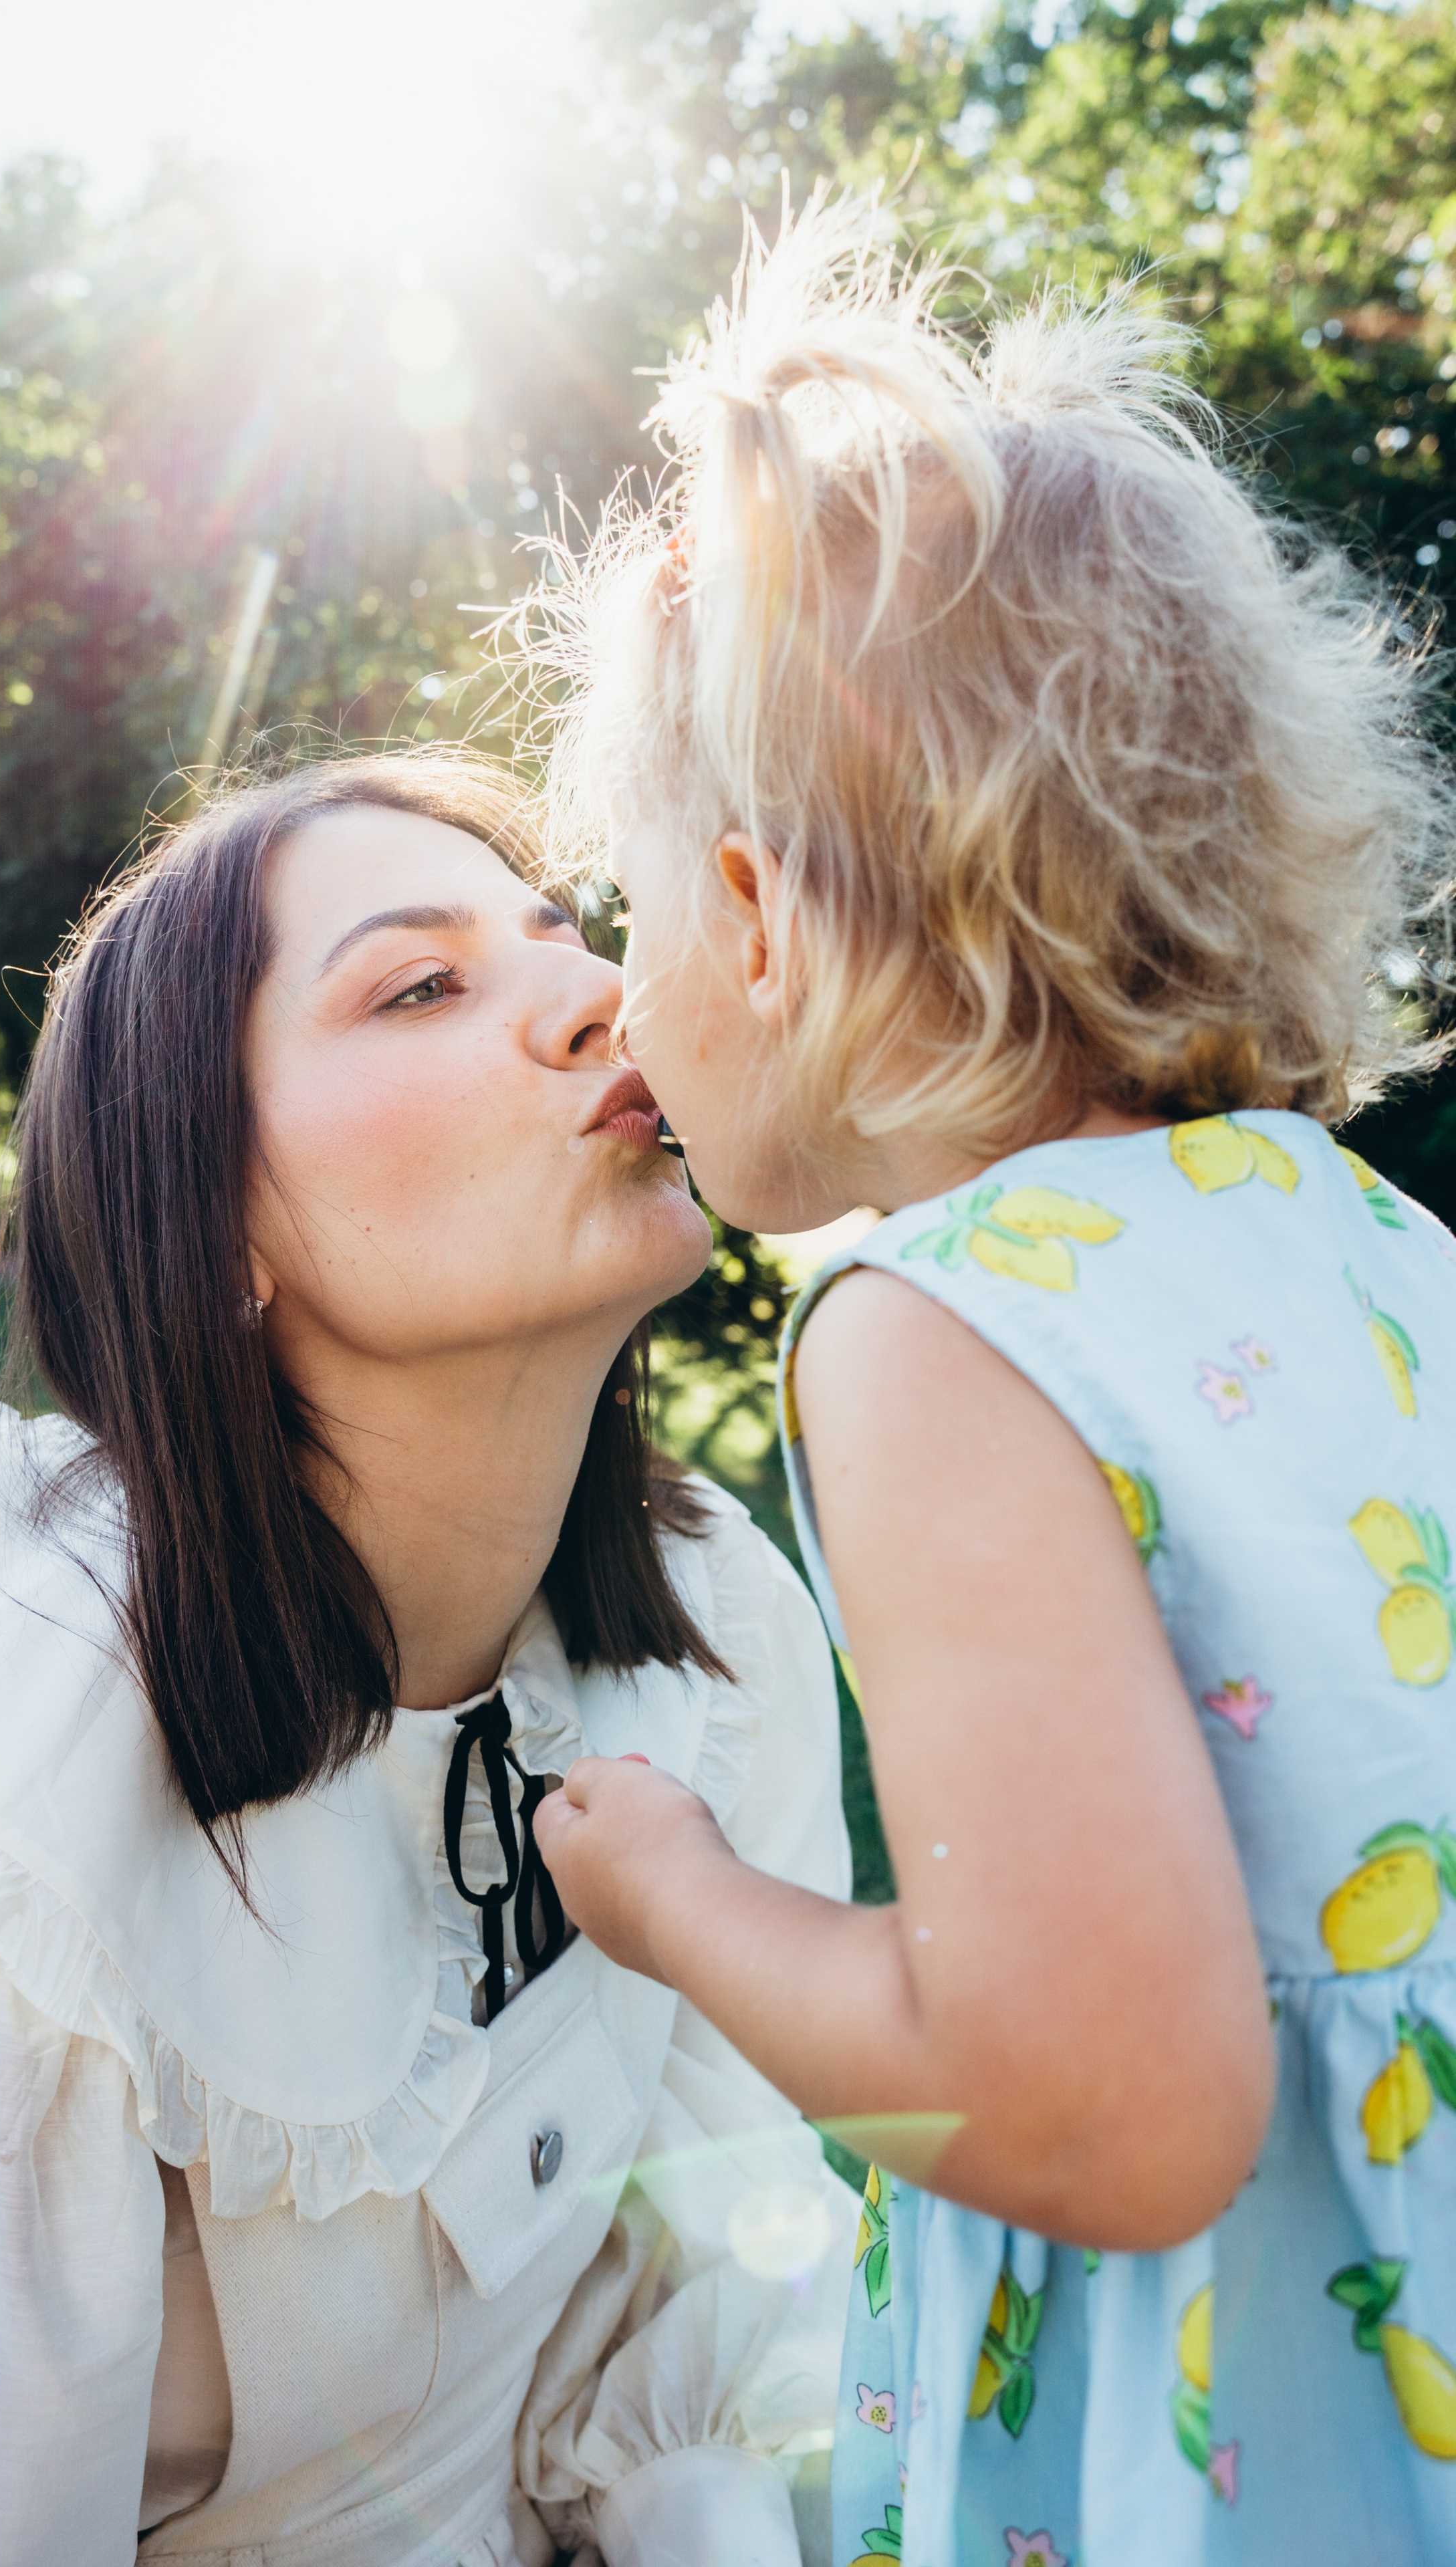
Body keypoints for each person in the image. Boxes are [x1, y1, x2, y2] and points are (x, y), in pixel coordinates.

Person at [519, 201, 1456, 2560]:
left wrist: (691, 1905)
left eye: (626, 912)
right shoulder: (1360, 1234)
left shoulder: (934, 1332)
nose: (616, 999)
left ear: (746, 911)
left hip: (1270, 2439)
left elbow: (1103, 2115)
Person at [0, 752, 856, 2567]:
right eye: (423, 985)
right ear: (221, 1220)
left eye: (572, 945)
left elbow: (701, 2350)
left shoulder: (722, 1633)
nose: (604, 1000)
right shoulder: (0, 1840)